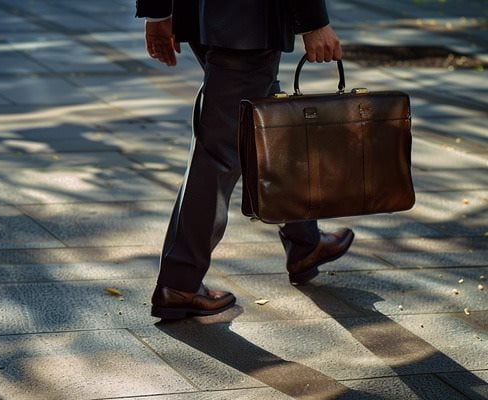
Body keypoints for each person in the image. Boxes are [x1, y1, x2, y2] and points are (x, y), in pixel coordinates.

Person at [136, 0, 355, 320]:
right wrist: (314, 22)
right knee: (220, 149)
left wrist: (159, 11)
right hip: (249, 20)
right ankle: (179, 283)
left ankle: (304, 241)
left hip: (202, 13)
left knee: (267, 123)